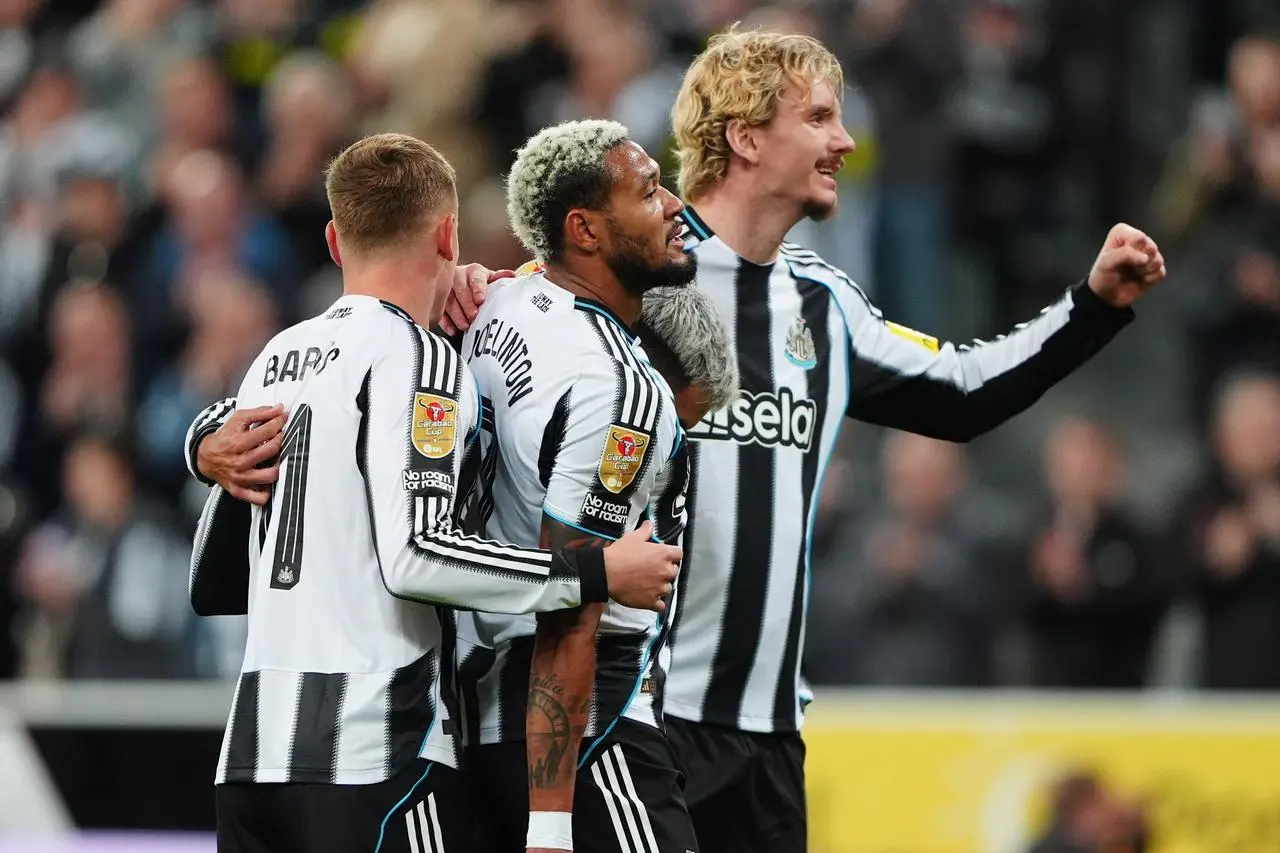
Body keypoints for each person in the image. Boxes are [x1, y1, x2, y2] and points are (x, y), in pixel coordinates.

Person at [441, 26, 1169, 853]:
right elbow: (490, 369)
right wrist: (464, 290)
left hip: (769, 735)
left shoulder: (825, 305)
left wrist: (1093, 305)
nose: (845, 141)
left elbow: (965, 392)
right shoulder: (626, 279)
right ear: (748, 138)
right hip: (643, 714)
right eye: (820, 118)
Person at [186, 132, 681, 853]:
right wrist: (595, 572)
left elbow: (215, 569)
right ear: (448, 232)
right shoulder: (418, 358)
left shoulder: (276, 356)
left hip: (253, 753)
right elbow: (416, 555)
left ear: (333, 239)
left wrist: (200, 447)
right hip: (372, 749)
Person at [456, 120, 735, 853]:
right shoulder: (621, 390)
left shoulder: (499, 301)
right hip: (586, 725)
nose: (674, 203)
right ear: (583, 228)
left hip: (479, 711)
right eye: (647, 191)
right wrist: (552, 823)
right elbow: (572, 602)